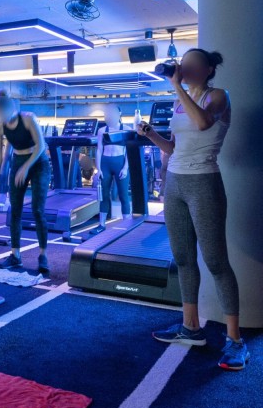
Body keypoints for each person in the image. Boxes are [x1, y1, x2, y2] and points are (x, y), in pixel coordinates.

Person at [138, 49, 247, 370]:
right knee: (183, 258)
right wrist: (150, 134)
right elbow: (173, 148)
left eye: (192, 64)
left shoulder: (218, 96)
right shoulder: (179, 101)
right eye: (183, 64)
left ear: (208, 68)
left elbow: (202, 124)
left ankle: (235, 341)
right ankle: (191, 327)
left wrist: (176, 85)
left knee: (216, 261)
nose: (184, 68)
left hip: (204, 182)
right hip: (175, 183)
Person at [0, 90, 50, 275]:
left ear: (10, 109)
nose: (0, 117)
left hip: (39, 162)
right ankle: (15, 255)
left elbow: (41, 146)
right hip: (18, 161)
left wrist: (26, 167)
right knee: (15, 210)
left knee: (37, 210)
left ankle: (43, 255)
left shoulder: (28, 118)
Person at [91, 105, 132, 234]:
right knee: (104, 195)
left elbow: (129, 151)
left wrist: (125, 168)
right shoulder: (102, 130)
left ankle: (126, 225)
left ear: (119, 113)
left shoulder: (126, 129)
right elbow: (99, 150)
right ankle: (101, 224)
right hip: (105, 163)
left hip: (120, 163)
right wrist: (99, 169)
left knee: (123, 195)